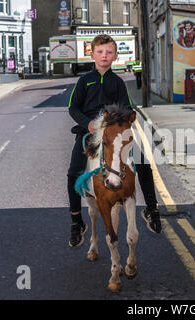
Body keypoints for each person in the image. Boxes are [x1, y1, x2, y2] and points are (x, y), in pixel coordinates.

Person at [67, 34, 162, 247]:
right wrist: (87, 123)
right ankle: (76, 222)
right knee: (73, 172)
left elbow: (127, 107)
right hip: (89, 132)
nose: (104, 55)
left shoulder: (117, 82)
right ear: (91, 54)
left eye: (109, 52)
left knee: (143, 162)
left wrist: (124, 121)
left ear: (115, 56)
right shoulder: (84, 81)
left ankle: (151, 208)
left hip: (114, 133)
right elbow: (73, 108)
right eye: (100, 52)